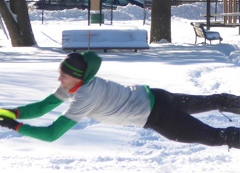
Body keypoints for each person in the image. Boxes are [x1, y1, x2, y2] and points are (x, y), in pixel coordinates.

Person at [0, 51, 240, 149]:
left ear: (76, 77)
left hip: (160, 116)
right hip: (156, 96)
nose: (59, 77)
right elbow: (43, 107)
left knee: (215, 137)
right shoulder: (77, 84)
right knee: (214, 101)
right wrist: (14, 112)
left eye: (64, 74)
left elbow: (52, 134)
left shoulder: (84, 96)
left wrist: (16, 126)